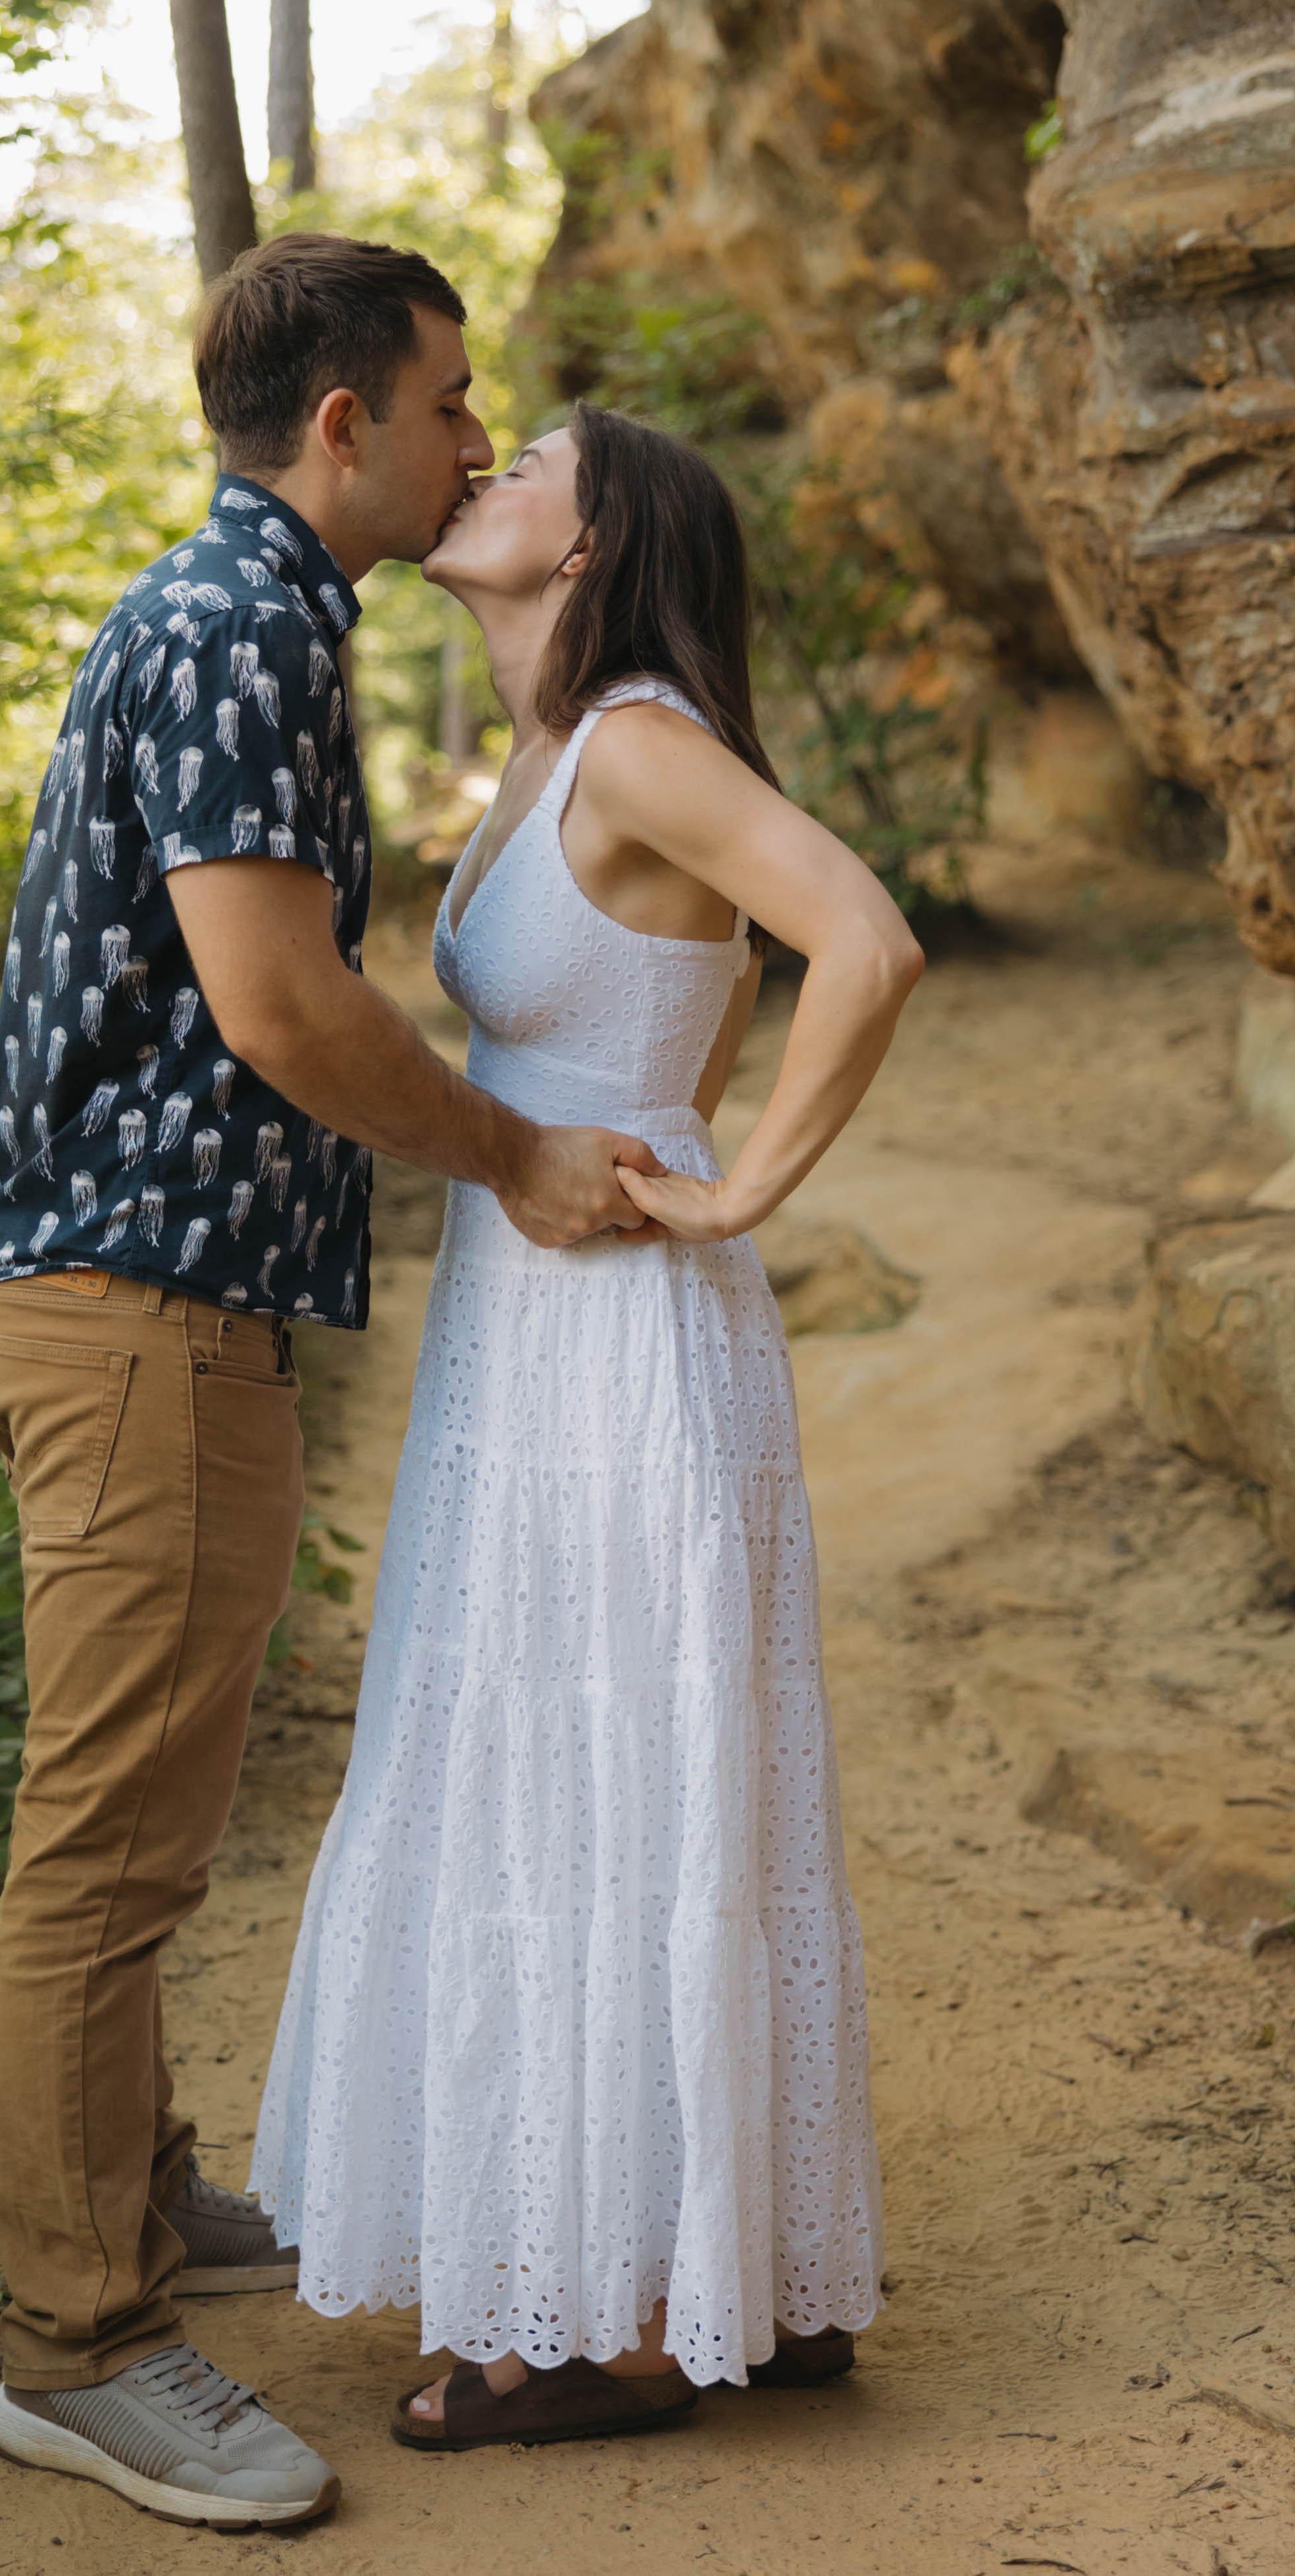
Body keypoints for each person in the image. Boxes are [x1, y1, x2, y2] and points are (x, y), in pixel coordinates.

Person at [0, 235, 676, 2532]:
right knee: (115, 1830)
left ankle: (137, 2202)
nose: (481, 437)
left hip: (143, 1293)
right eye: (454, 400)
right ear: (343, 422)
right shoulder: (244, 625)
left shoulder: (234, 613)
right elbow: (275, 1001)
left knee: (144, 1795)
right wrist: (512, 1153)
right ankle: (76, 2342)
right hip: (132, 1301)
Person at [250, 403, 922, 2450]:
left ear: (594, 536)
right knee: (597, 1745)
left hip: (619, 1320)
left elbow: (863, 937)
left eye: (524, 457)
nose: (481, 470)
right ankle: (733, 2267)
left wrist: (732, 1192)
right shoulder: (548, 750)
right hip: (533, 1321)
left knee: (597, 1748)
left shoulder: (631, 735)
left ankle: (608, 2321)